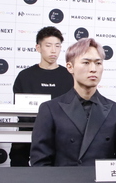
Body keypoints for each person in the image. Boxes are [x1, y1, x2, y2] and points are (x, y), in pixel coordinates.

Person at [30, 38, 116, 166]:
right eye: (86, 63)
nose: (93, 69)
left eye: (98, 63)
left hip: (101, 179)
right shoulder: (50, 109)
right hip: (64, 178)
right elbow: (40, 163)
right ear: (70, 67)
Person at [10, 26, 73, 166]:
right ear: (38, 48)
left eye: (57, 46)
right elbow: (20, 109)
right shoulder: (25, 76)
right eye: (48, 45)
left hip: (62, 131)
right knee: (18, 155)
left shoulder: (69, 76)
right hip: (29, 128)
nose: (53, 50)